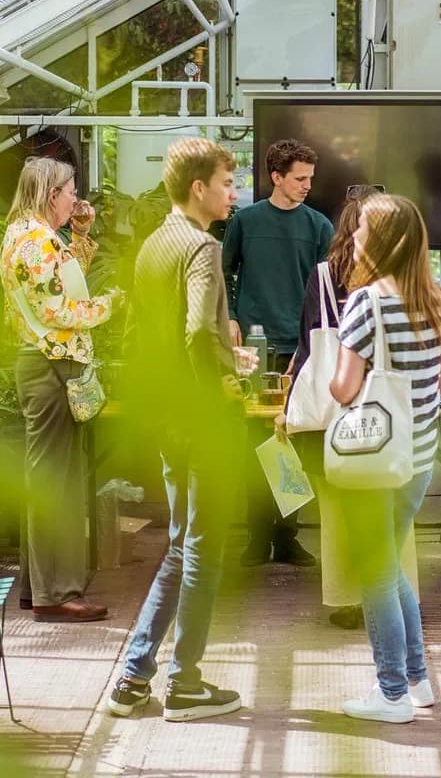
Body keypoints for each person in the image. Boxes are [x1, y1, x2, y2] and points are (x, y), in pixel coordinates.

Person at [107, 138, 245, 722]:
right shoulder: (201, 247)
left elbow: (146, 338)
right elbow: (195, 333)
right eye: (226, 183)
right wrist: (221, 381)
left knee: (182, 545)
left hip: (167, 417)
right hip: (199, 419)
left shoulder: (152, 246)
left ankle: (135, 677)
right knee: (204, 551)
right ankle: (184, 683)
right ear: (199, 188)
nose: (232, 193)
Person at [329, 194, 441, 723]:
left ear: (382, 241)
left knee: (377, 573)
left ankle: (390, 694)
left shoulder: (366, 302)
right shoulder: (437, 301)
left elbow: (343, 389)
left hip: (374, 458)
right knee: (392, 565)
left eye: (363, 228)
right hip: (418, 456)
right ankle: (416, 679)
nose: (356, 235)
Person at [274, 183, 416, 630]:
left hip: (338, 411)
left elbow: (308, 346)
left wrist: (288, 404)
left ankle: (347, 598)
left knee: (337, 509)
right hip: (389, 408)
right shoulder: (400, 280)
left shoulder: (322, 276)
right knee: (392, 506)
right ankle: (395, 597)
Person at [0, 157, 120, 622]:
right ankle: (57, 595)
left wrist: (82, 234)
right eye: (71, 191)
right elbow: (58, 310)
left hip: (44, 366)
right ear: (52, 194)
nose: (77, 197)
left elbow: (64, 276)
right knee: (58, 483)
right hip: (50, 367)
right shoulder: (34, 241)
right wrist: (109, 305)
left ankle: (40, 587)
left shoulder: (34, 236)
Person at [223, 138, 333, 568]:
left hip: (301, 352)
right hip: (254, 351)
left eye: (310, 178)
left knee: (294, 446)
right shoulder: (245, 221)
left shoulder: (319, 226)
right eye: (300, 178)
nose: (307, 185)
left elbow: (329, 293)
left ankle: (287, 538)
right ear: (276, 177)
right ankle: (256, 538)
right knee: (255, 446)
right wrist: (231, 316)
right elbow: (223, 272)